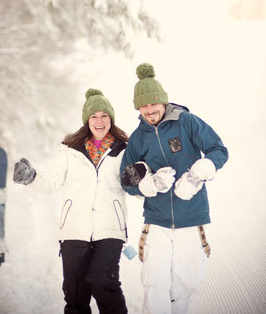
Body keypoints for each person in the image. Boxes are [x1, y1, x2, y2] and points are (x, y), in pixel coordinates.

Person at [119, 63, 228, 314]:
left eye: (152, 104)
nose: (148, 110)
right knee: (155, 283)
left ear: (163, 101)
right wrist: (149, 184)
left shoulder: (186, 122)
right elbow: (127, 179)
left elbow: (218, 150)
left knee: (186, 283)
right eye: (142, 106)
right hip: (157, 220)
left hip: (191, 216)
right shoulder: (138, 138)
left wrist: (196, 175)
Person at [13, 89, 129, 314]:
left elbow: (133, 186)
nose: (99, 121)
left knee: (104, 281)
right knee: (75, 294)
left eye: (104, 116)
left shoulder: (124, 149)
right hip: (74, 230)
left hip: (110, 229)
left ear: (111, 119)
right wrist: (32, 178)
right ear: (86, 120)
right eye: (94, 116)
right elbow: (53, 180)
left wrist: (137, 177)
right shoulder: (69, 150)